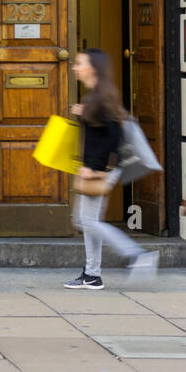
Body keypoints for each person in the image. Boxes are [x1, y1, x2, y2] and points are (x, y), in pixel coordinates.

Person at [64, 48, 158, 290]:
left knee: (87, 222)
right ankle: (92, 275)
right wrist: (84, 114)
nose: (75, 67)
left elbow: (112, 137)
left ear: (94, 67)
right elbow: (101, 131)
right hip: (99, 166)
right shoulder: (96, 97)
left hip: (103, 168)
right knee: (86, 221)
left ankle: (137, 255)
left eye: (80, 63)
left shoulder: (101, 98)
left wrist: (94, 168)